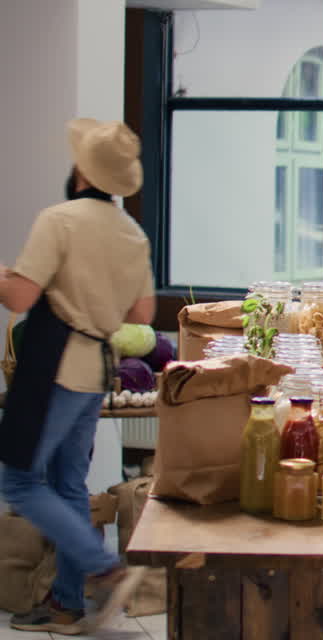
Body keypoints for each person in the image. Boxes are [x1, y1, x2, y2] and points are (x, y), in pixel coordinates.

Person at [0, 119, 155, 634]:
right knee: (68, 484)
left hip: (53, 360)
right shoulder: (132, 234)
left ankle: (106, 567)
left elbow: (20, 298)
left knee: (19, 480)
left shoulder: (59, 219)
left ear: (83, 172)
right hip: (97, 367)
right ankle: (67, 606)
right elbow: (142, 311)